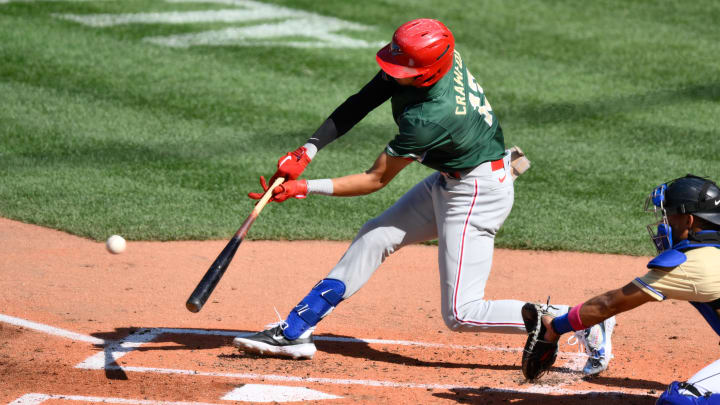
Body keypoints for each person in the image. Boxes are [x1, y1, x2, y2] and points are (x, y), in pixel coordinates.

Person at [233, 18, 612, 376]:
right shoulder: (429, 58)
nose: (395, 74)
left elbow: (375, 179)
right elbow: (364, 98)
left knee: (462, 313)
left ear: (426, 72)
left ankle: (579, 319)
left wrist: (304, 187)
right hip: (455, 179)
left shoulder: (430, 117)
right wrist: (308, 150)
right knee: (376, 235)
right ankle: (297, 329)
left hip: (476, 193)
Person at [520, 174, 720, 403]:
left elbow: (609, 304)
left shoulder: (690, 264)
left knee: (678, 401)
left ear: (689, 221)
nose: (664, 225)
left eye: (670, 217)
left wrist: (555, 326)